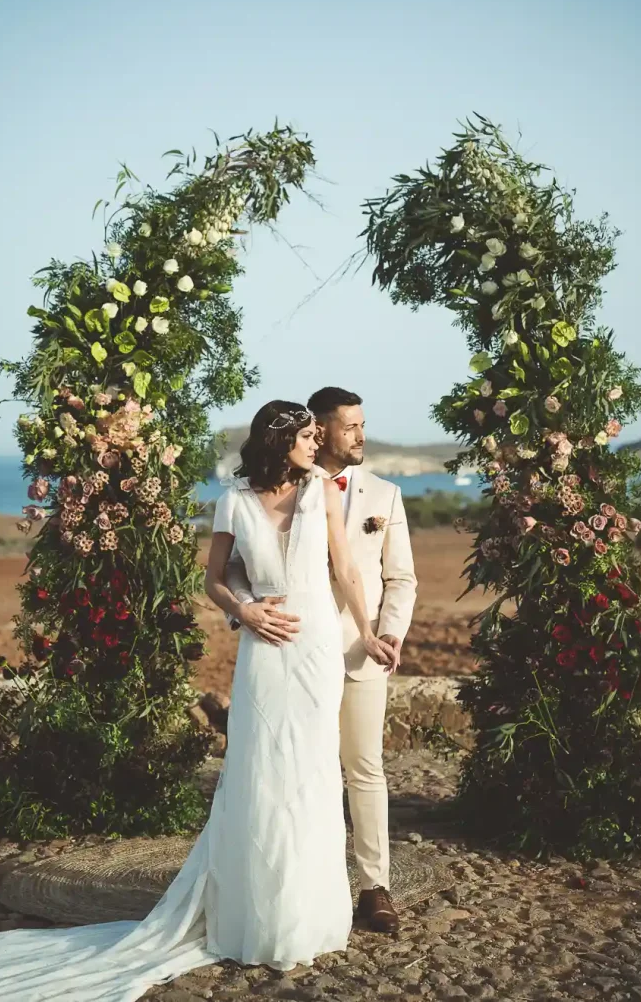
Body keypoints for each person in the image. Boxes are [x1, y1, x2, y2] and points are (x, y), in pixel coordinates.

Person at [0, 400, 396, 1000]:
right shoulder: (234, 500)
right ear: (280, 443)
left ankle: (306, 914)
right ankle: (252, 913)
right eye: (307, 437)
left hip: (316, 653)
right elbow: (214, 580)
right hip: (263, 651)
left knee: (311, 773)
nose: (315, 445)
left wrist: (371, 631)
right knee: (258, 775)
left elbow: (347, 573)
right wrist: (246, 612)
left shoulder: (321, 493)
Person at [225, 387, 417, 933]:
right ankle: (310, 885)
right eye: (350, 426)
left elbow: (399, 576)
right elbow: (238, 563)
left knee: (364, 768)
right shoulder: (271, 490)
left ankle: (375, 888)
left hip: (359, 651)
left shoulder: (385, 494)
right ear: (321, 430)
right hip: (289, 648)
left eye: (363, 425)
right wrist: (247, 611)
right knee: (297, 771)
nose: (361, 436)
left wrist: (387, 634)